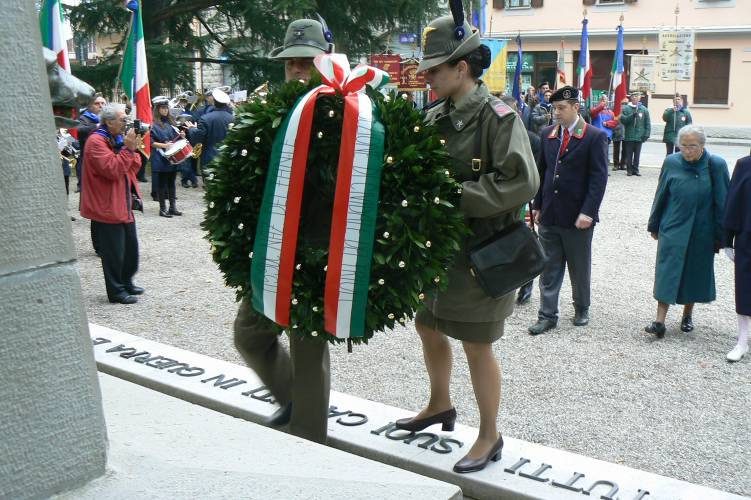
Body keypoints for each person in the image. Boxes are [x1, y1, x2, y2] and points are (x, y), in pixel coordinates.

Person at [396, 15, 539, 474]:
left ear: (462, 68)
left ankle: (489, 434)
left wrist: (452, 197)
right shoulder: (433, 116)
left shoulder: (497, 117)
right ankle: (440, 404)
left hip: (481, 255)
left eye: (436, 68)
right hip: (438, 252)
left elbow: (522, 181)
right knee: (428, 325)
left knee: (478, 345)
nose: (428, 76)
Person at [232, 17, 335, 445]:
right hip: (270, 246)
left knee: (309, 348)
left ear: (325, 63)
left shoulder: (345, 111)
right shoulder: (265, 110)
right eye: (290, 63)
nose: (296, 71)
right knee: (250, 334)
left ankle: (309, 440)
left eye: (306, 62)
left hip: (316, 246)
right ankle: (294, 400)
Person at [528, 86, 608, 335]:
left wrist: (588, 212)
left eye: (561, 108)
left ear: (576, 107)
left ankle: (582, 306)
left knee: (578, 265)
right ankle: (547, 314)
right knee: (549, 266)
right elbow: (543, 171)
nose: (556, 113)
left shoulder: (593, 136)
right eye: (554, 108)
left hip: (577, 216)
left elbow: (599, 178)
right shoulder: (548, 133)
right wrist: (538, 205)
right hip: (551, 214)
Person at [645, 125, 729, 338]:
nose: (687, 151)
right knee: (666, 271)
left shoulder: (715, 165)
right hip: (673, 227)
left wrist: (723, 236)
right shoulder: (671, 162)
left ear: (702, 145)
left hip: (702, 230)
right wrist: (654, 224)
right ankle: (659, 321)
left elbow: (723, 202)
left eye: (692, 146)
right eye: (683, 146)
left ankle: (687, 315)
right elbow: (660, 195)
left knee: (694, 272)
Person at [79, 103, 144, 304]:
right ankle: (116, 291)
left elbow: (134, 166)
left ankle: (126, 281)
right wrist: (128, 149)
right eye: (123, 120)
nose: (126, 123)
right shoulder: (96, 141)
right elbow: (112, 169)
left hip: (122, 202)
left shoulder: (116, 139)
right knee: (114, 252)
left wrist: (131, 150)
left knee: (130, 249)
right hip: (107, 205)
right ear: (108, 121)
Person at [501, 95, 541, 305]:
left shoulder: (533, 139)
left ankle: (526, 284)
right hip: (500, 199)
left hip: (524, 199)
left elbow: (537, 172)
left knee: (525, 240)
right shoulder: (493, 138)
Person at [724, 153, 751, 361]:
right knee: (744, 289)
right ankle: (742, 341)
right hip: (747, 235)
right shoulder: (744, 164)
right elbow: (733, 199)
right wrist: (727, 239)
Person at [150, 96, 184, 217]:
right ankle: (162, 208)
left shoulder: (171, 123)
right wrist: (164, 145)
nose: (165, 110)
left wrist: (181, 135)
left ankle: (172, 207)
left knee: (171, 183)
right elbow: (150, 142)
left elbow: (176, 138)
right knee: (162, 183)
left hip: (172, 157)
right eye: (162, 108)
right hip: (160, 157)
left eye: (166, 108)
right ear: (157, 109)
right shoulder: (153, 124)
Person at [187, 88, 234, 174]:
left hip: (210, 157)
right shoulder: (232, 118)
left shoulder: (206, 118)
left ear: (214, 102)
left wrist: (192, 129)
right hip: (227, 156)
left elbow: (198, 137)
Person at [76, 95, 107, 192]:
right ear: (90, 106)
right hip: (87, 159)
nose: (100, 106)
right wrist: (97, 126)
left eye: (103, 103)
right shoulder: (84, 118)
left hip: (103, 158)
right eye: (97, 103)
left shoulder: (107, 119)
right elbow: (80, 130)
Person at [620, 91, 651, 177]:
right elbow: (623, 120)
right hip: (629, 136)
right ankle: (629, 170)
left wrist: (646, 134)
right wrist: (631, 116)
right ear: (631, 98)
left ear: (639, 98)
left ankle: (636, 169)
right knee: (629, 154)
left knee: (637, 154)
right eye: (633, 96)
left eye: (637, 96)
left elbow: (647, 123)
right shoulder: (626, 108)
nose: (635, 98)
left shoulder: (644, 109)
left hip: (639, 136)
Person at [590, 94, 616, 173]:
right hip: (597, 135)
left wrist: (607, 123)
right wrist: (601, 106)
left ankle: (605, 170)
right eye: (602, 100)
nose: (604, 102)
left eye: (605, 100)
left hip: (606, 136)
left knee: (605, 154)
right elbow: (593, 113)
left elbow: (615, 122)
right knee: (596, 153)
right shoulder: (596, 109)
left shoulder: (610, 112)